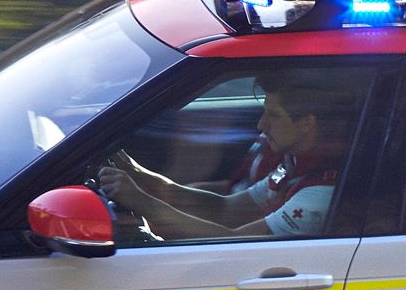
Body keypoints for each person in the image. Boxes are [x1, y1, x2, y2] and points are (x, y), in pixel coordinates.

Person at [99, 76, 355, 243]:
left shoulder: (319, 194)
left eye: (274, 116)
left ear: (306, 125)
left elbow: (231, 239)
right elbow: (227, 209)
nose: (261, 124)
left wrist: (142, 201)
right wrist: (142, 176)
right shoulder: (296, 164)